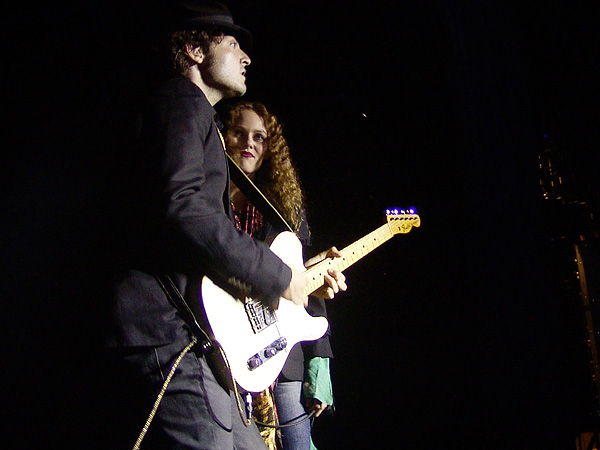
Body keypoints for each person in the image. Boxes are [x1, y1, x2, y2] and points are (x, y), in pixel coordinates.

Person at [100, 2, 346, 450]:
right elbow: (185, 210)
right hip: (169, 332)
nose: (246, 57)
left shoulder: (198, 117)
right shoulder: (180, 100)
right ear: (194, 49)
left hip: (202, 339)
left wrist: (298, 280)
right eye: (232, 44)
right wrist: (278, 277)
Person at [222, 100, 346, 450]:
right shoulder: (209, 200)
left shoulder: (284, 209)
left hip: (282, 352)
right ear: (222, 138)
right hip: (226, 345)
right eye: (239, 133)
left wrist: (319, 369)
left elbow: (304, 285)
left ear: (269, 148)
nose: (249, 143)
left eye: (259, 137)